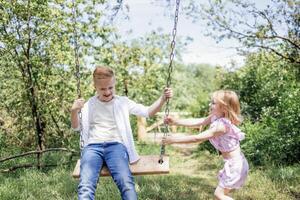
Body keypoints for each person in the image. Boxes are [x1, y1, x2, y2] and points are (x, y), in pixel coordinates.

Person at [71, 66, 173, 200]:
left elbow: (148, 112)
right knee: (86, 186)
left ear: (114, 84)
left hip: (116, 146)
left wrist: (162, 99)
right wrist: (74, 111)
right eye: (102, 89)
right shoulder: (89, 104)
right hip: (92, 147)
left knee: (125, 182)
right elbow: (76, 127)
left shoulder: (123, 102)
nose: (107, 92)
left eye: (110, 88)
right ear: (95, 87)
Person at [162, 90, 248, 200]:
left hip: (235, 165)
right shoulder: (215, 117)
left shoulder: (222, 126)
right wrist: (175, 121)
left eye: (213, 103)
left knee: (219, 195)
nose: (209, 105)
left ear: (224, 107)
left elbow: (196, 138)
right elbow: (198, 122)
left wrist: (174, 140)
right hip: (234, 164)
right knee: (221, 195)